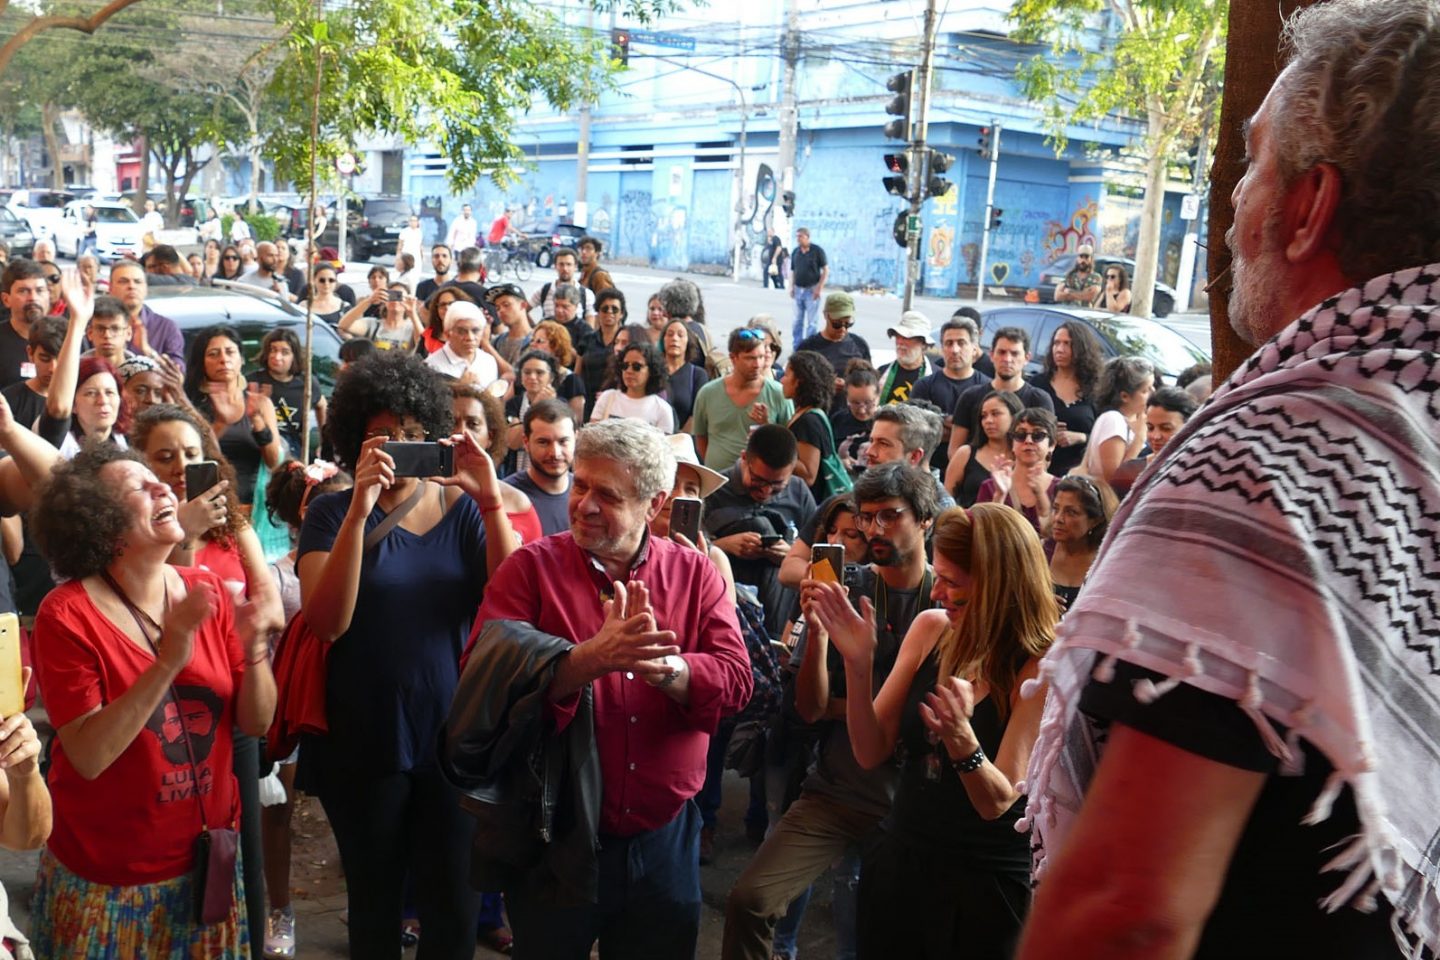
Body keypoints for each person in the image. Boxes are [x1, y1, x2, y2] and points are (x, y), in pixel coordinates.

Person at [1020, 7, 1440, 957]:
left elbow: (1127, 907)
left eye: (1252, 163)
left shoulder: (1279, 456)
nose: (1234, 198)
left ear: (1309, 206)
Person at [443, 419, 752, 958]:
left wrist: (668, 670)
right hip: (553, 834)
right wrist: (588, 660)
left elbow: (737, 682)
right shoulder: (529, 570)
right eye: (580, 484)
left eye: (606, 494)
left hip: (665, 840)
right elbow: (482, 681)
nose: (583, 504)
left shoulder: (696, 574)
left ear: (654, 505)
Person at [297, 350, 516, 960]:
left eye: (412, 434)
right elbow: (326, 621)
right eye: (380, 437)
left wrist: (492, 499)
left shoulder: (464, 509)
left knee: (453, 905)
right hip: (362, 739)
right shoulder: (329, 512)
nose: (398, 447)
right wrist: (360, 508)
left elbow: (508, 602)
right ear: (353, 440)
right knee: (374, 906)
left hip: (452, 738)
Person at [29, 443, 276, 957]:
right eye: (139, 487)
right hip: (109, 882)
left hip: (206, 866)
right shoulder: (66, 614)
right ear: (101, 523)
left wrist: (255, 653)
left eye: (159, 479)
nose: (166, 486)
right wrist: (168, 659)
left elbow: (256, 721)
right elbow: (89, 756)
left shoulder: (203, 586)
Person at [811, 503, 1057, 958]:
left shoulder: (1040, 665)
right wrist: (858, 665)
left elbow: (997, 802)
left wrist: (962, 739)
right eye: (936, 574)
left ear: (999, 586)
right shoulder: (931, 629)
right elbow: (869, 752)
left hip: (983, 884)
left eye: (953, 584)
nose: (937, 591)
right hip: (903, 860)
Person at [724, 461, 939, 960]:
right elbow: (809, 705)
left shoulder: (946, 596)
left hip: (910, 802)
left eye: (890, 516)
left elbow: (927, 718)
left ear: (925, 520)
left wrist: (859, 707)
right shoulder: (850, 585)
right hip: (837, 789)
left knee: (886, 934)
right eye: (867, 517)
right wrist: (818, 633)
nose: (874, 529)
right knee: (750, 900)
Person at [130, 403, 286, 952]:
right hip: (158, 711)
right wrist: (182, 535)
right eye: (164, 457)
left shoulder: (233, 527)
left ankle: (245, 939)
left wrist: (256, 627)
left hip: (233, 705)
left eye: (192, 455)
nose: (180, 467)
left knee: (240, 848)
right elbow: (155, 604)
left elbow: (268, 603)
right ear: (139, 464)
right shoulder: (129, 537)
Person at [259, 460, 352, 960]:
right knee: (279, 814)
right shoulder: (277, 574)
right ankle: (280, 907)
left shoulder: (365, 560)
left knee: (351, 816)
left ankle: (364, 902)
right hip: (293, 707)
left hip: (345, 708)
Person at [703, 424, 817, 636]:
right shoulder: (715, 490)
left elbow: (819, 552)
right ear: (744, 458)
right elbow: (688, 550)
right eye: (757, 481)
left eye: (776, 485)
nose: (765, 491)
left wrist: (791, 554)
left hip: (781, 603)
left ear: (792, 471)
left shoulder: (799, 492)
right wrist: (722, 546)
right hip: (728, 598)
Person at [183, 324, 286, 505]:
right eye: (213, 354)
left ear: (242, 359)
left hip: (253, 505)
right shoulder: (190, 404)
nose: (223, 359)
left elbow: (274, 462)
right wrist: (221, 424)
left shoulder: (261, 403)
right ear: (202, 362)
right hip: (208, 504)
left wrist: (257, 422)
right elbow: (192, 458)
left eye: (230, 352)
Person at [451, 381, 543, 547]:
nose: (461, 433)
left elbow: (529, 568)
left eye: (473, 424)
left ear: (490, 437)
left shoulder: (518, 503)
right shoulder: (422, 495)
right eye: (451, 423)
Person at [692, 328, 795, 470]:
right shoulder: (707, 393)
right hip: (718, 481)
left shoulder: (779, 394)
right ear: (733, 358)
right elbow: (701, 438)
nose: (757, 364)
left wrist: (767, 426)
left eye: (761, 357)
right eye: (750, 358)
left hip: (761, 483)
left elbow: (789, 443)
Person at [947, 326, 1055, 455]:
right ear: (992, 355)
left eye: (1014, 353)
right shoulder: (971, 396)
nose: (1007, 359)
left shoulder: (1039, 399)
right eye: (1002, 352)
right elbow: (954, 450)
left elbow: (1046, 452)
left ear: (1027, 358)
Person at [911, 314, 988, 476]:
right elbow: (919, 433)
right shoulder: (924, 386)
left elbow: (986, 434)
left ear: (974, 348)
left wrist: (942, 422)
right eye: (949, 343)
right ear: (942, 348)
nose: (954, 350)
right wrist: (966, 427)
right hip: (930, 470)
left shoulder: (987, 388)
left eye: (961, 343)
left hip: (974, 471)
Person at [1030, 320, 1102, 477]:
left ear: (1081, 349)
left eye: (1067, 344)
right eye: (1056, 343)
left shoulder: (1096, 388)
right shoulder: (1037, 384)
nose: (1059, 349)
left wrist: (1081, 437)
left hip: (1081, 473)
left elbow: (1106, 435)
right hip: (1040, 471)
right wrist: (1045, 431)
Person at [975, 407, 1060, 537]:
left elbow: (1056, 537)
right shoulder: (990, 487)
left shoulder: (1062, 489)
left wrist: (1040, 495)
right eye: (1020, 435)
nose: (1028, 441)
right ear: (1012, 444)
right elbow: (982, 535)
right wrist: (1000, 495)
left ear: (1052, 444)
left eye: (1038, 435)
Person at [246, 327, 326, 459]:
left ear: (294, 356)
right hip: (259, 450)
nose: (277, 357)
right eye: (273, 350)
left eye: (285, 352)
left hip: (293, 452)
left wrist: (323, 443)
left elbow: (322, 406)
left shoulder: (307, 384)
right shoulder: (253, 381)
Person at [503, 397, 577, 536]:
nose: (555, 453)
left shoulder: (588, 495)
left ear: (576, 438)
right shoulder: (506, 497)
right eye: (543, 442)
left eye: (563, 441)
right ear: (526, 442)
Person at [1045, 474, 1115, 611]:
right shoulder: (1042, 551)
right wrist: (1040, 603)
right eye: (1056, 508)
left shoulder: (1108, 563)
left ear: (1096, 520)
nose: (1058, 518)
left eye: (1070, 512)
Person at [1079, 356, 1153, 484]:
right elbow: (1115, 479)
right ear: (1125, 396)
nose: (1153, 393)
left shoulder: (1135, 419)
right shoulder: (1113, 420)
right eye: (1145, 390)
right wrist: (1139, 438)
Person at [944, 389, 1023, 508]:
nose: (988, 421)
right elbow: (946, 500)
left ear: (1014, 417)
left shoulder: (1024, 456)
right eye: (984, 416)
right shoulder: (965, 453)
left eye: (996, 414)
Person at [781, 349, 842, 502]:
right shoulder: (803, 413)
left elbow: (808, 475)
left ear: (799, 381)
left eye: (787, 375)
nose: (782, 380)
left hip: (811, 504)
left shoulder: (809, 421)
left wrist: (774, 454)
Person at [108, 259, 186, 367]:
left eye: (138, 282)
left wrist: (147, 351)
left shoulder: (166, 327)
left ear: (146, 289)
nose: (131, 286)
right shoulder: (96, 325)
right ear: (110, 288)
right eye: (123, 281)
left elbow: (178, 377)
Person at [796, 293, 871, 399]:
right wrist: (825, 384)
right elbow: (796, 383)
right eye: (837, 324)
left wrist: (849, 384)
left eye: (848, 324)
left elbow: (870, 381)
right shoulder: (808, 347)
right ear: (826, 315)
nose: (843, 329)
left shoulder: (860, 345)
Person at [589, 340, 674, 433]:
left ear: (652, 370)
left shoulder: (662, 409)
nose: (629, 371)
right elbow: (592, 438)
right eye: (625, 366)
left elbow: (664, 445)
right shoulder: (607, 397)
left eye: (636, 366)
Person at [1, 313, 64, 430]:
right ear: (30, 353)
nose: (52, 368)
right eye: (45, 359)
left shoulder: (81, 398)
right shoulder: (8, 402)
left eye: (60, 359)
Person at [423, 300, 506, 388]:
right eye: (462, 331)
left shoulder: (489, 361)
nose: (470, 337)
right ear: (447, 334)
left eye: (475, 331)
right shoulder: (431, 366)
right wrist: (461, 387)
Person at [0, 259, 52, 389]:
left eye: (40, 290)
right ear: (6, 299)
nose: (33, 298)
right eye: (23, 291)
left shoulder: (64, 337)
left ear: (49, 295)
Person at [576, 289, 627, 412]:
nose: (609, 312)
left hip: (616, 403)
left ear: (621, 314)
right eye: (605, 309)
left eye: (614, 309)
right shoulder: (587, 339)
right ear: (598, 312)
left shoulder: (627, 340)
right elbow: (577, 373)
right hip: (588, 401)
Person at [528, 320, 588, 419]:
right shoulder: (526, 376)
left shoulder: (572, 381)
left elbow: (576, 420)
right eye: (532, 340)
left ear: (556, 346)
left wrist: (553, 404)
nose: (533, 345)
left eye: (539, 341)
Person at [877, 311, 937, 405]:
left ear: (923, 343)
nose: (900, 342)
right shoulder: (881, 373)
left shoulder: (936, 377)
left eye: (906, 337)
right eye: (897, 336)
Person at [661, 317, 709, 432]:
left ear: (688, 341)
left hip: (683, 442)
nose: (674, 339)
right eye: (670, 334)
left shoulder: (697, 375)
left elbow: (696, 415)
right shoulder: (653, 371)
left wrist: (678, 439)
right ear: (663, 340)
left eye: (680, 335)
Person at [831, 362, 880, 472]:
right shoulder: (837, 420)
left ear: (878, 397)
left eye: (869, 403)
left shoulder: (887, 423)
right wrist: (839, 461)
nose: (862, 410)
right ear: (846, 398)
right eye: (855, 403)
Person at [788, 228, 828, 348]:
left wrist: (819, 287)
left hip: (812, 290)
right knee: (797, 321)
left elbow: (825, 270)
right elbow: (793, 271)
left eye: (800, 236)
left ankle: (809, 347)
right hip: (798, 289)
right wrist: (791, 286)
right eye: (797, 237)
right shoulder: (796, 252)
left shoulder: (817, 251)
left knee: (812, 323)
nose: (798, 239)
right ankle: (797, 346)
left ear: (807, 237)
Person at [530, 247, 595, 320]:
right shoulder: (544, 290)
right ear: (555, 266)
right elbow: (523, 310)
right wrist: (533, 329)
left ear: (575, 267)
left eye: (569, 264)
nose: (565, 268)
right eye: (561, 264)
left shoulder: (586, 295)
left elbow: (590, 326)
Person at [419, 284, 473, 356]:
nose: (447, 307)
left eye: (451, 303)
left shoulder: (471, 336)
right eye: (442, 304)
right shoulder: (428, 334)